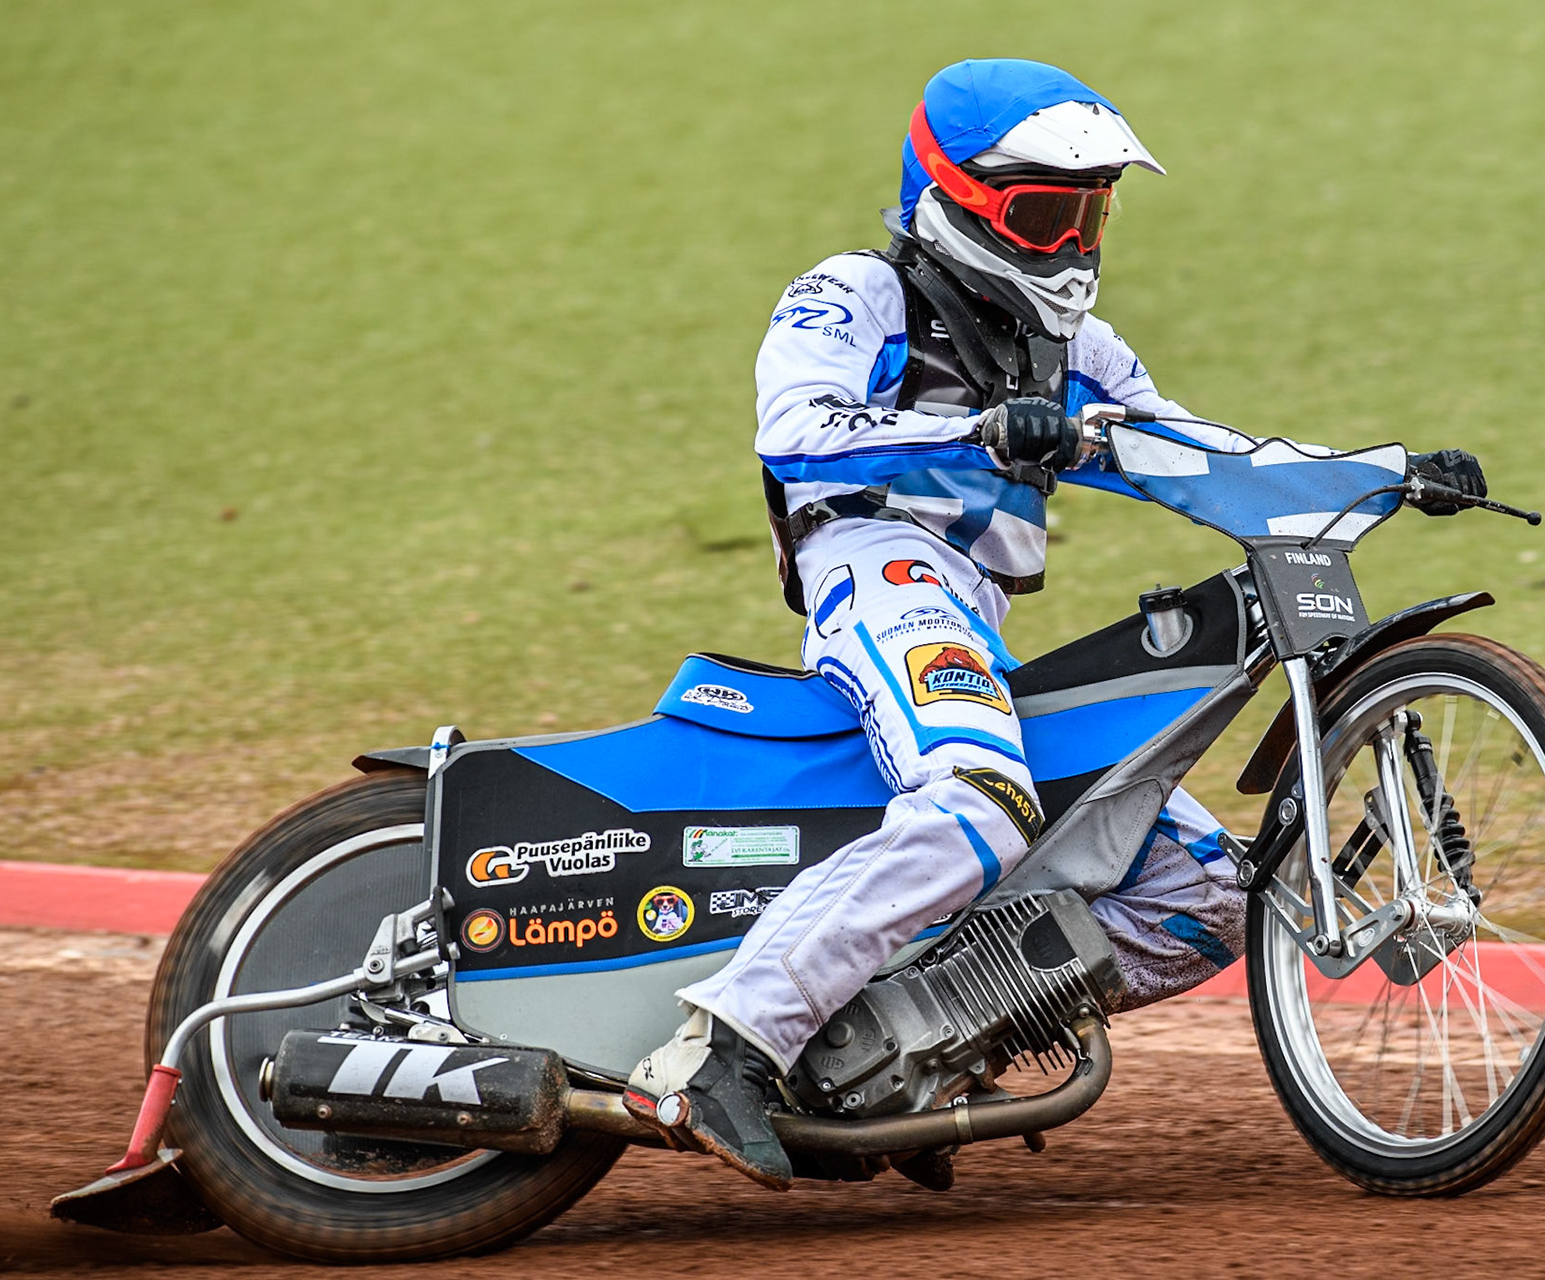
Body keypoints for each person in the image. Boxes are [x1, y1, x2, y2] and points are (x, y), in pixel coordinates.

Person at [624, 58, 1486, 1190]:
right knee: (977, 798)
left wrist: (1377, 475)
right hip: (876, 571)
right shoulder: (851, 292)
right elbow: (796, 429)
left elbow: (1202, 454)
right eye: (1044, 212)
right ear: (957, 198)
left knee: (1208, 894)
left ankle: (908, 1050)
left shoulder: (1085, 351)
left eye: (1092, 212)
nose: (1073, 243)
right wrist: (982, 430)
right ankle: (718, 1044)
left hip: (971, 615)